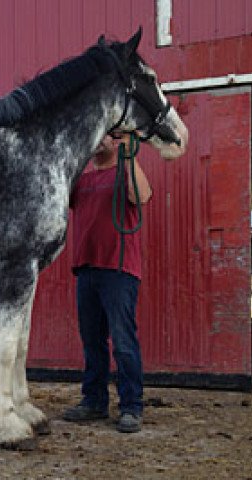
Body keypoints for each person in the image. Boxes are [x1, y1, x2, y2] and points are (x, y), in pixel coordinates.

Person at [64, 134, 152, 433]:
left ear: (118, 141)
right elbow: (59, 197)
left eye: (107, 135)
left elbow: (140, 196)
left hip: (118, 268)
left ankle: (131, 407)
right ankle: (94, 401)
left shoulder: (125, 171)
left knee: (123, 340)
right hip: (87, 268)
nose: (99, 139)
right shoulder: (84, 179)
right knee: (92, 341)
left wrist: (128, 156)